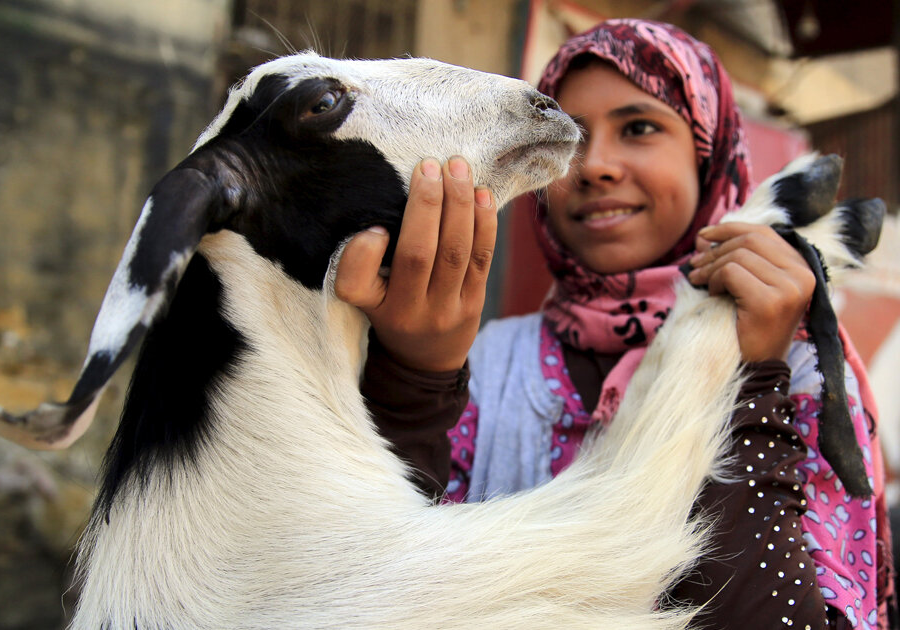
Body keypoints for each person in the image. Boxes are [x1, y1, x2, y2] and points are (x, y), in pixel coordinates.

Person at [334, 19, 894, 629]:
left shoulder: (800, 366)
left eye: (639, 128)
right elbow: (365, 586)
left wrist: (750, 376)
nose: (595, 165)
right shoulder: (487, 365)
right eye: (570, 136)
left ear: (709, 155)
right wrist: (414, 380)